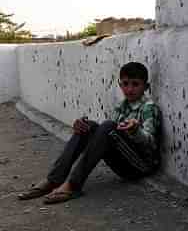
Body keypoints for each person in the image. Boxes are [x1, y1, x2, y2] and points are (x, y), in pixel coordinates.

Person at [18, 62, 161, 204]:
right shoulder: (121, 106)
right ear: (120, 84)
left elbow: (150, 144)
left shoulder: (149, 108)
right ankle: (53, 180)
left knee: (107, 126)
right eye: (125, 84)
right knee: (88, 126)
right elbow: (106, 137)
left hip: (141, 165)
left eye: (135, 84)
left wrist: (136, 131)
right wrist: (82, 129)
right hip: (123, 161)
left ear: (146, 87)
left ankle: (73, 185)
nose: (129, 89)